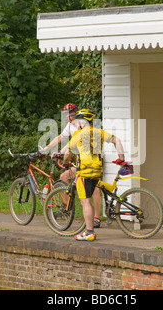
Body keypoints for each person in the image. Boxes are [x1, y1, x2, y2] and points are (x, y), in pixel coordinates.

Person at [63, 109, 126, 241]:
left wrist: (65, 163)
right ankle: (91, 228)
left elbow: (67, 153)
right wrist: (121, 158)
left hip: (84, 172)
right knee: (89, 198)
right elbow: (117, 141)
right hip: (97, 170)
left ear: (82, 122)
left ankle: (89, 232)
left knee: (86, 202)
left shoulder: (79, 134)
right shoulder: (100, 132)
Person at [43, 103, 102, 228]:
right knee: (63, 176)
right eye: (67, 116)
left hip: (92, 159)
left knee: (95, 188)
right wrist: (47, 148)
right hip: (80, 160)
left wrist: (61, 153)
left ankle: (96, 218)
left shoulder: (82, 124)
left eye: (70, 115)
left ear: (75, 113)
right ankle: (67, 208)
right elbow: (61, 138)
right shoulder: (70, 125)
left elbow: (71, 145)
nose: (69, 118)